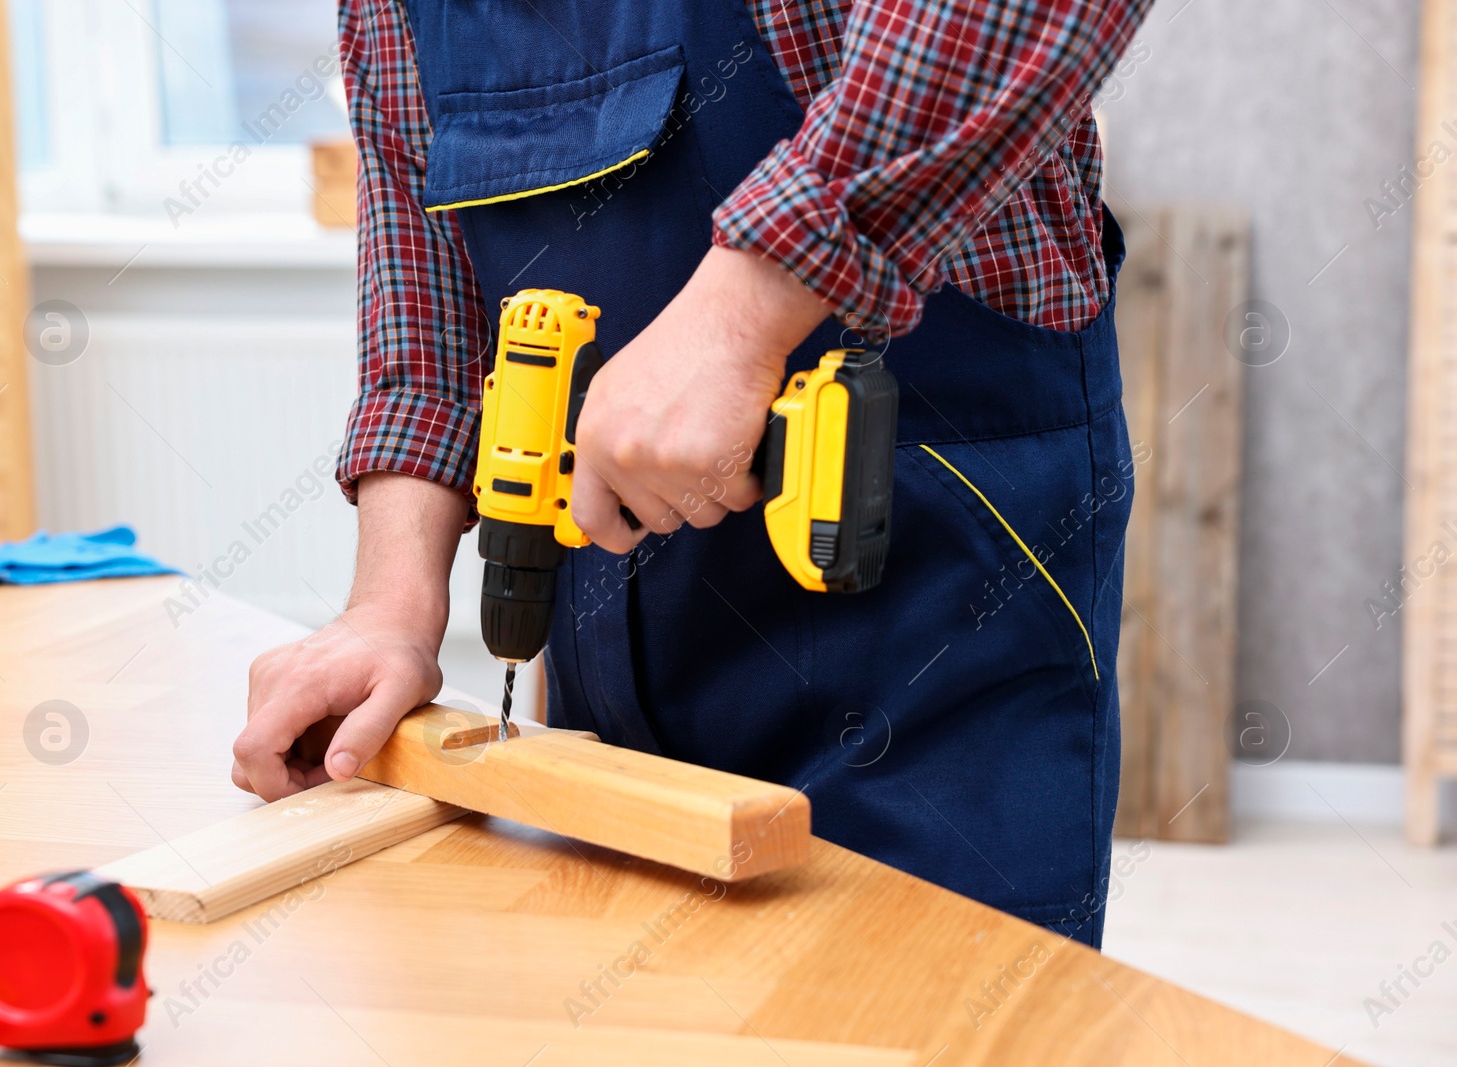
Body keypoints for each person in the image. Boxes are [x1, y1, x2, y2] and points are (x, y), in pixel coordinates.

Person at [234, 0, 1153, 946]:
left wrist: (743, 313)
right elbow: (421, 247)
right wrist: (390, 603)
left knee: (932, 1008)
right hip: (613, 594)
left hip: (931, 568)